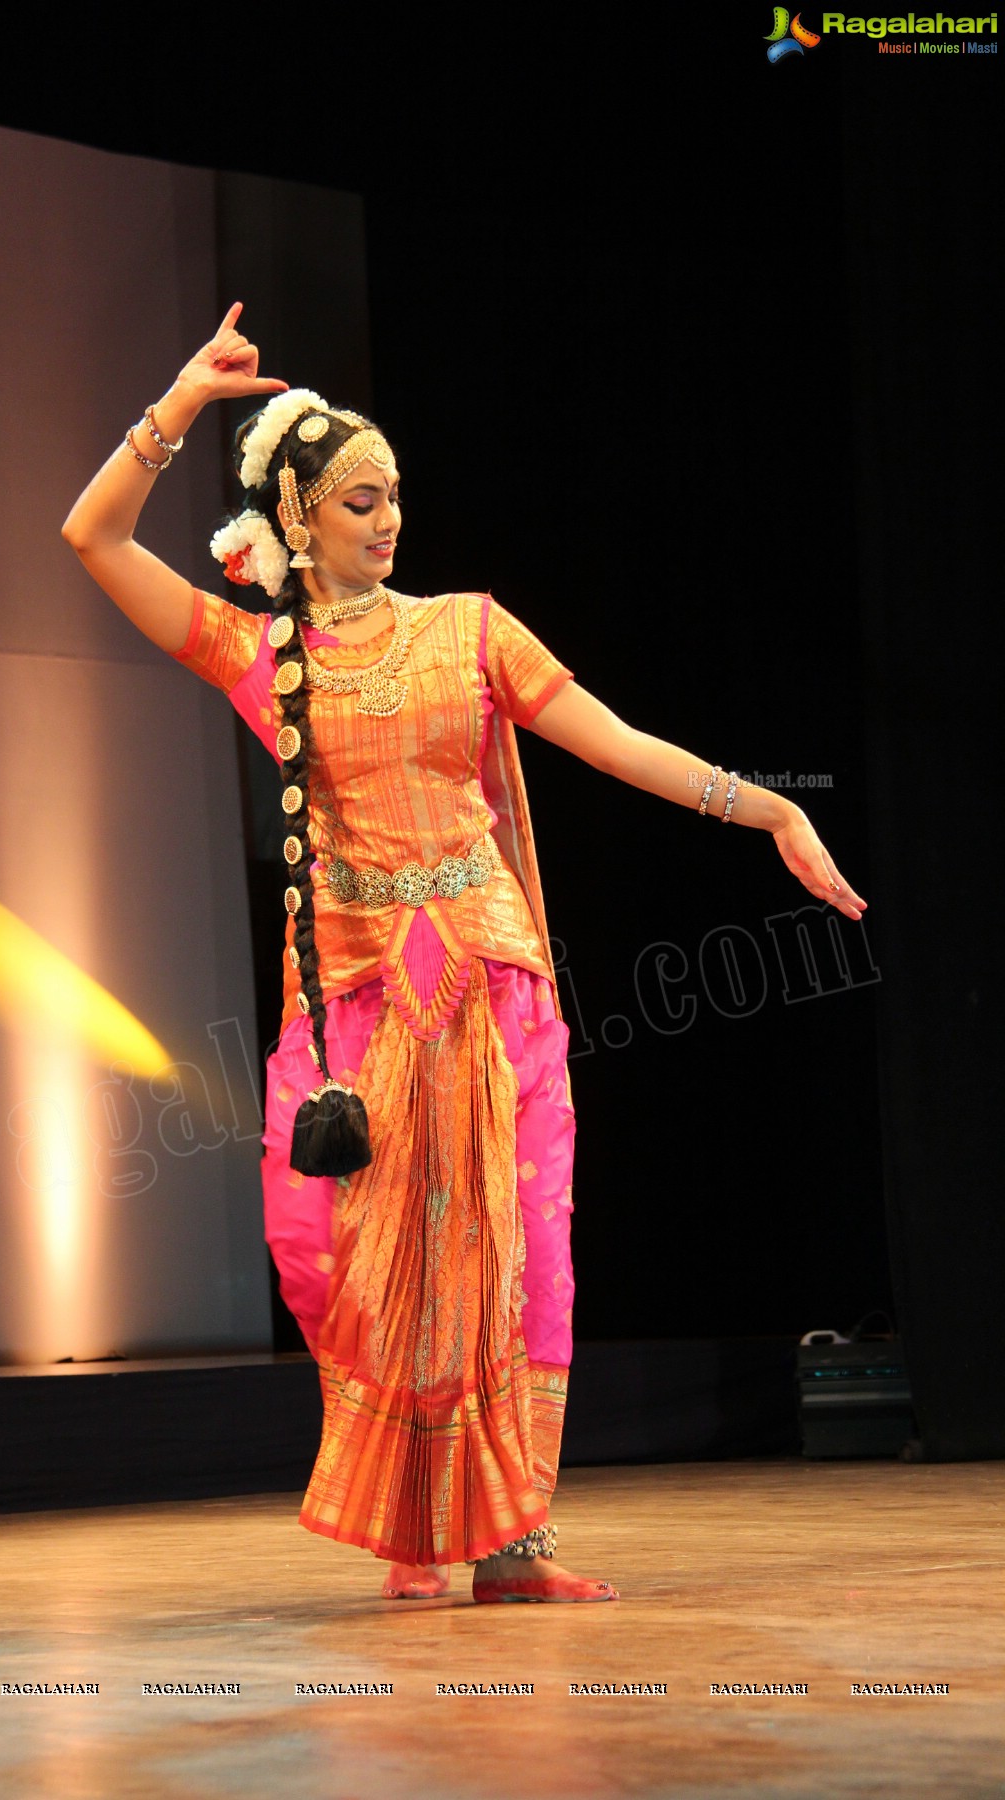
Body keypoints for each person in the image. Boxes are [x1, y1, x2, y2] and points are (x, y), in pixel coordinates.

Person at [62, 304, 867, 1605]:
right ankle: (408, 1534)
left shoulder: (472, 632)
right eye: (361, 502)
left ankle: (508, 1542)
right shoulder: (260, 654)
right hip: (365, 1010)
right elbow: (91, 538)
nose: (388, 521)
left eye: (394, 498)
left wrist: (767, 806)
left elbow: (614, 742)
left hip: (491, 997)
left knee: (511, 1264)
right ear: (299, 520)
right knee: (354, 1266)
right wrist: (176, 409)